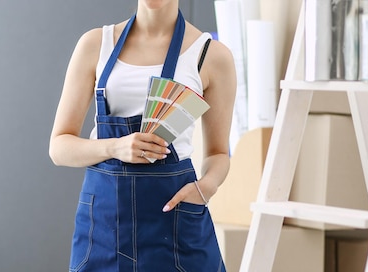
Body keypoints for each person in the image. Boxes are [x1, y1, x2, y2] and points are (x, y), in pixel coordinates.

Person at [49, 0, 236, 271]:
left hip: (174, 222)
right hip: (105, 225)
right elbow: (59, 147)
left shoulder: (211, 55)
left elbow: (218, 153)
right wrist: (115, 147)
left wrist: (206, 187)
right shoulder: (94, 44)